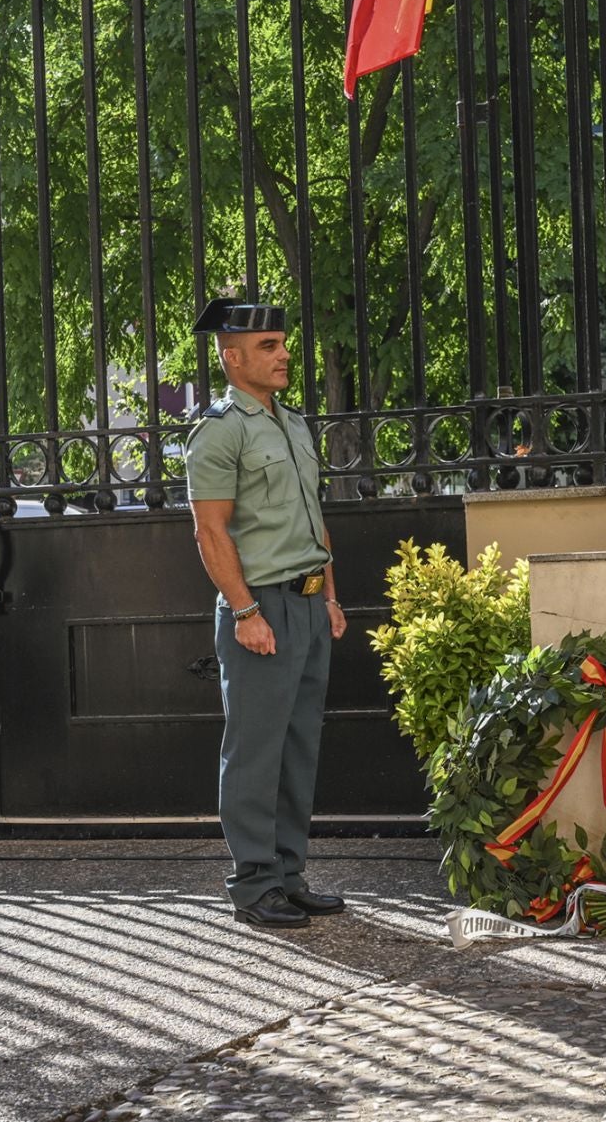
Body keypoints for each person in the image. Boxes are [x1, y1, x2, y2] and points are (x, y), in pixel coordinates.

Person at [184, 298, 349, 929]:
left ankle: (289, 874)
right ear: (231, 357)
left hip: (308, 606)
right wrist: (245, 610)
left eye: (283, 343)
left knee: (298, 748)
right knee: (255, 752)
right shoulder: (220, 431)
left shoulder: (296, 424)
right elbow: (210, 532)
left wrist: (331, 596)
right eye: (268, 346)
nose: (283, 355)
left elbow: (314, 519)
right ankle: (254, 883)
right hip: (262, 611)